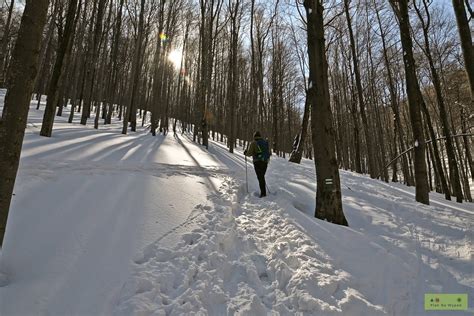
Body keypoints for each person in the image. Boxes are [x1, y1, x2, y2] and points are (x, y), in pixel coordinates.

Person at [244, 131, 271, 197]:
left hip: (257, 162)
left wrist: (245, 153)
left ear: (254, 137)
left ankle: (263, 194)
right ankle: (263, 192)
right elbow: (269, 153)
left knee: (260, 177)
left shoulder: (253, 143)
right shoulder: (265, 143)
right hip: (265, 162)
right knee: (262, 177)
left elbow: (249, 153)